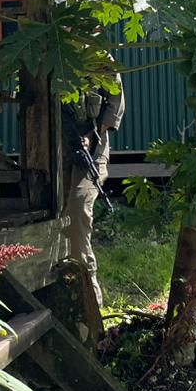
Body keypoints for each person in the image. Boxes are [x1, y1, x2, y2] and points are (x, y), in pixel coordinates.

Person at [60, 79, 124, 310]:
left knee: (77, 209)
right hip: (56, 149)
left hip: (92, 150)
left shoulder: (99, 58)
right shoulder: (48, 52)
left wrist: (92, 134)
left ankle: (89, 301)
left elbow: (115, 102)